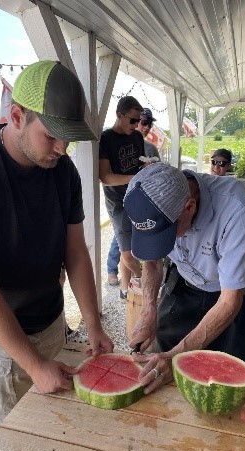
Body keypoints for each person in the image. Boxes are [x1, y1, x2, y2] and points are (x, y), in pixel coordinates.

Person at [0, 60, 113, 425]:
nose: (62, 149)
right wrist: (33, 364)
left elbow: (76, 254)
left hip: (49, 320)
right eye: (51, 135)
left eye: (68, 137)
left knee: (54, 425)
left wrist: (93, 323)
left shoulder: (62, 171)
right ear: (16, 116)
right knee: (18, 435)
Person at [123, 162, 245, 393]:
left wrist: (178, 356)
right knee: (163, 372)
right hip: (184, 284)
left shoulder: (236, 208)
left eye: (168, 234)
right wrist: (148, 310)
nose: (167, 241)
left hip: (236, 295)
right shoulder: (146, 198)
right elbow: (152, 260)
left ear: (190, 207)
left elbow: (230, 300)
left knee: (229, 383)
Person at [99, 96, 146, 300]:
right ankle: (147, 278)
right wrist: (135, 177)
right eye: (133, 120)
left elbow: (140, 163)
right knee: (126, 253)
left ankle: (125, 289)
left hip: (138, 197)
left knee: (132, 250)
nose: (137, 126)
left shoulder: (137, 138)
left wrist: (147, 167)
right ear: (119, 115)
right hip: (117, 202)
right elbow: (105, 176)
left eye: (139, 121)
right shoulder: (106, 138)